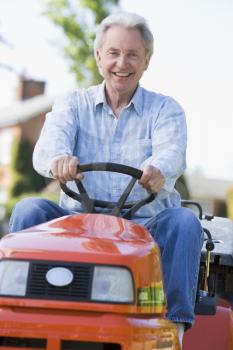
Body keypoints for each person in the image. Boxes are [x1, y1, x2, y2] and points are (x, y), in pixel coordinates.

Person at [9, 11, 203, 346]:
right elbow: (47, 149)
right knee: (29, 211)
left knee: (184, 222)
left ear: (146, 61)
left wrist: (158, 170)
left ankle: (175, 329)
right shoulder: (73, 104)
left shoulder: (165, 110)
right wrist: (59, 161)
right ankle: (17, 315)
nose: (121, 63)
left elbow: (171, 154)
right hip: (76, 222)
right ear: (99, 57)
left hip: (144, 224)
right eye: (113, 53)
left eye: (132, 54)